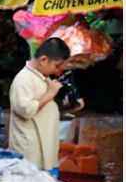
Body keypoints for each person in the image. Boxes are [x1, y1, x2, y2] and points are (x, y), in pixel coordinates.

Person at [9, 37, 85, 174]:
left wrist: (70, 107)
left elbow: (45, 108)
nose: (57, 71)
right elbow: (26, 110)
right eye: (56, 66)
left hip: (45, 150)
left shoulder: (43, 77)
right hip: (30, 154)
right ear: (43, 60)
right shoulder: (23, 79)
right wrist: (50, 93)